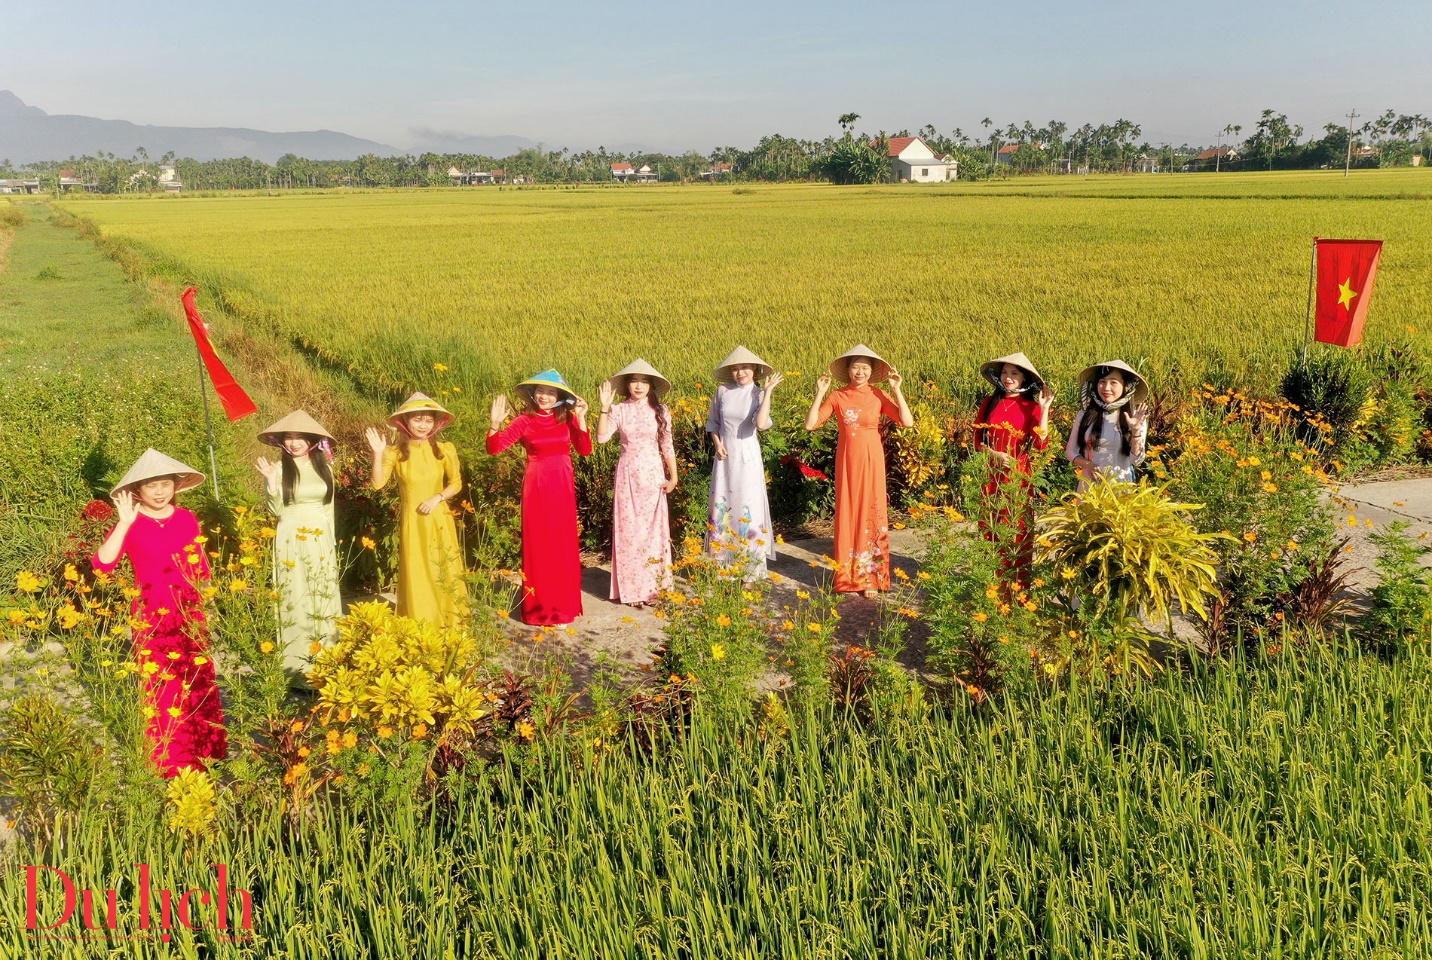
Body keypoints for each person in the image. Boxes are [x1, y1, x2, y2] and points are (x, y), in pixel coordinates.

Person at [92, 449, 228, 777]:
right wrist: (123, 524)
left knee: (198, 680)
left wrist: (208, 604)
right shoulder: (131, 522)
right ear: (137, 490)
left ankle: (206, 751)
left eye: (165, 483)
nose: (159, 491)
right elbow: (102, 564)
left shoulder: (186, 518)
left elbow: (201, 565)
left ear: (175, 485)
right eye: (151, 485)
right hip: (152, 613)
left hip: (190, 609)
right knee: (162, 686)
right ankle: (171, 762)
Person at [805, 344, 913, 598]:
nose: (860, 371)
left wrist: (897, 391)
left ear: (872, 371)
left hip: (872, 459)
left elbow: (906, 421)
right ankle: (846, 578)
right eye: (856, 366)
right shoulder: (838, 396)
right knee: (848, 511)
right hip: (847, 461)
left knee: (871, 511)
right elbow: (811, 424)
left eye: (865, 367)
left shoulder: (878, 395)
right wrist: (820, 393)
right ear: (848, 370)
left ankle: (870, 578)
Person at [487, 370, 592, 625]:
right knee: (539, 545)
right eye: (540, 391)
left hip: (562, 485)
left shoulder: (567, 418)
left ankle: (563, 609)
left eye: (550, 392)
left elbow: (585, 450)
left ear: (559, 396)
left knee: (563, 544)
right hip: (537, 484)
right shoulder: (524, 420)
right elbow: (495, 448)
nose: (544, 396)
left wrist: (581, 418)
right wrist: (494, 425)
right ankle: (538, 611)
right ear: (533, 394)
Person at [365, 393, 468, 627]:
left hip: (439, 518)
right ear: (405, 422)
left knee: (443, 566)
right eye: (417, 419)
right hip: (413, 521)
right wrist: (378, 453)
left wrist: (437, 498)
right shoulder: (395, 453)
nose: (423, 425)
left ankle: (448, 619)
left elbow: (456, 483)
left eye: (428, 420)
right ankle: (421, 621)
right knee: (418, 568)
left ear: (435, 423)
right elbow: (378, 483)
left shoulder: (443, 450)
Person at [255, 410, 342, 682]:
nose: (293, 443)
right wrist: (271, 483)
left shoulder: (325, 468)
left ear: (312, 441)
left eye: (299, 437)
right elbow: (276, 511)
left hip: (321, 537)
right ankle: (298, 670)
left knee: (323, 593)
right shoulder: (279, 469)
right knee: (296, 595)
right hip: (291, 535)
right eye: (289, 438)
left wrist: (330, 543)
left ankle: (329, 663)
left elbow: (328, 509)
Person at [597, 359, 678, 606]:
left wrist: (673, 476)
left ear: (651, 385)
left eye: (644, 382)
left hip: (653, 474)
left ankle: (655, 588)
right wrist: (603, 408)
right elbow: (601, 438)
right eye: (634, 381)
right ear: (627, 385)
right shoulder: (619, 410)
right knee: (629, 532)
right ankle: (632, 591)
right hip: (628, 476)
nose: (639, 386)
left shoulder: (661, 410)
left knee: (654, 532)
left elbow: (667, 445)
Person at [973, 352, 1055, 579]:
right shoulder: (990, 403)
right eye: (1005, 373)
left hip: (1018, 472)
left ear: (1025, 379)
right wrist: (993, 454)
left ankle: (1017, 585)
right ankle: (991, 583)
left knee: (1017, 525)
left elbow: (1040, 444)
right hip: (991, 471)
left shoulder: (1032, 407)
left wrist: (1045, 409)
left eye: (1014, 373)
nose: (1008, 378)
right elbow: (977, 440)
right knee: (990, 525)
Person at [705, 346, 782, 583]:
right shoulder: (722, 391)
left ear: (754, 370)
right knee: (724, 503)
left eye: (745, 368)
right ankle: (724, 564)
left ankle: (750, 566)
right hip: (725, 456)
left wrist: (767, 393)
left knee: (748, 504)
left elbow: (760, 424)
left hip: (747, 455)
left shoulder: (758, 394)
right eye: (736, 369)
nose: (740, 373)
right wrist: (717, 444)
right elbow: (713, 423)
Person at [1066, 361, 1149, 491]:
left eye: (1113, 382)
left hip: (1121, 488)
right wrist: (1088, 465)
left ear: (1125, 386)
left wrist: (1136, 432)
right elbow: (1071, 452)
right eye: (1102, 381)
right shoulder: (1085, 415)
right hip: (1089, 488)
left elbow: (1136, 461)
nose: (1106, 388)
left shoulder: (1135, 418)